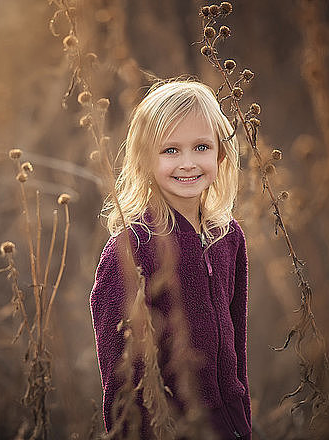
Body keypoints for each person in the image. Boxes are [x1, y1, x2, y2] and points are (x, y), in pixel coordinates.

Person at [90, 79, 251, 439]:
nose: (189, 163)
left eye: (201, 147)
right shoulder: (133, 247)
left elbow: (236, 352)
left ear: (221, 154)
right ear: (145, 158)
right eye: (171, 151)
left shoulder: (228, 236)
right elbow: (119, 374)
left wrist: (243, 425)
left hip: (228, 426)